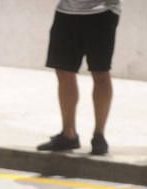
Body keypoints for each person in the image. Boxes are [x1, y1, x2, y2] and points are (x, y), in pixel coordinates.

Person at [37, 0, 121, 156]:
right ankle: (68, 134)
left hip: (102, 13)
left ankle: (99, 135)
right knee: (63, 71)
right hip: (66, 12)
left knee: (100, 72)